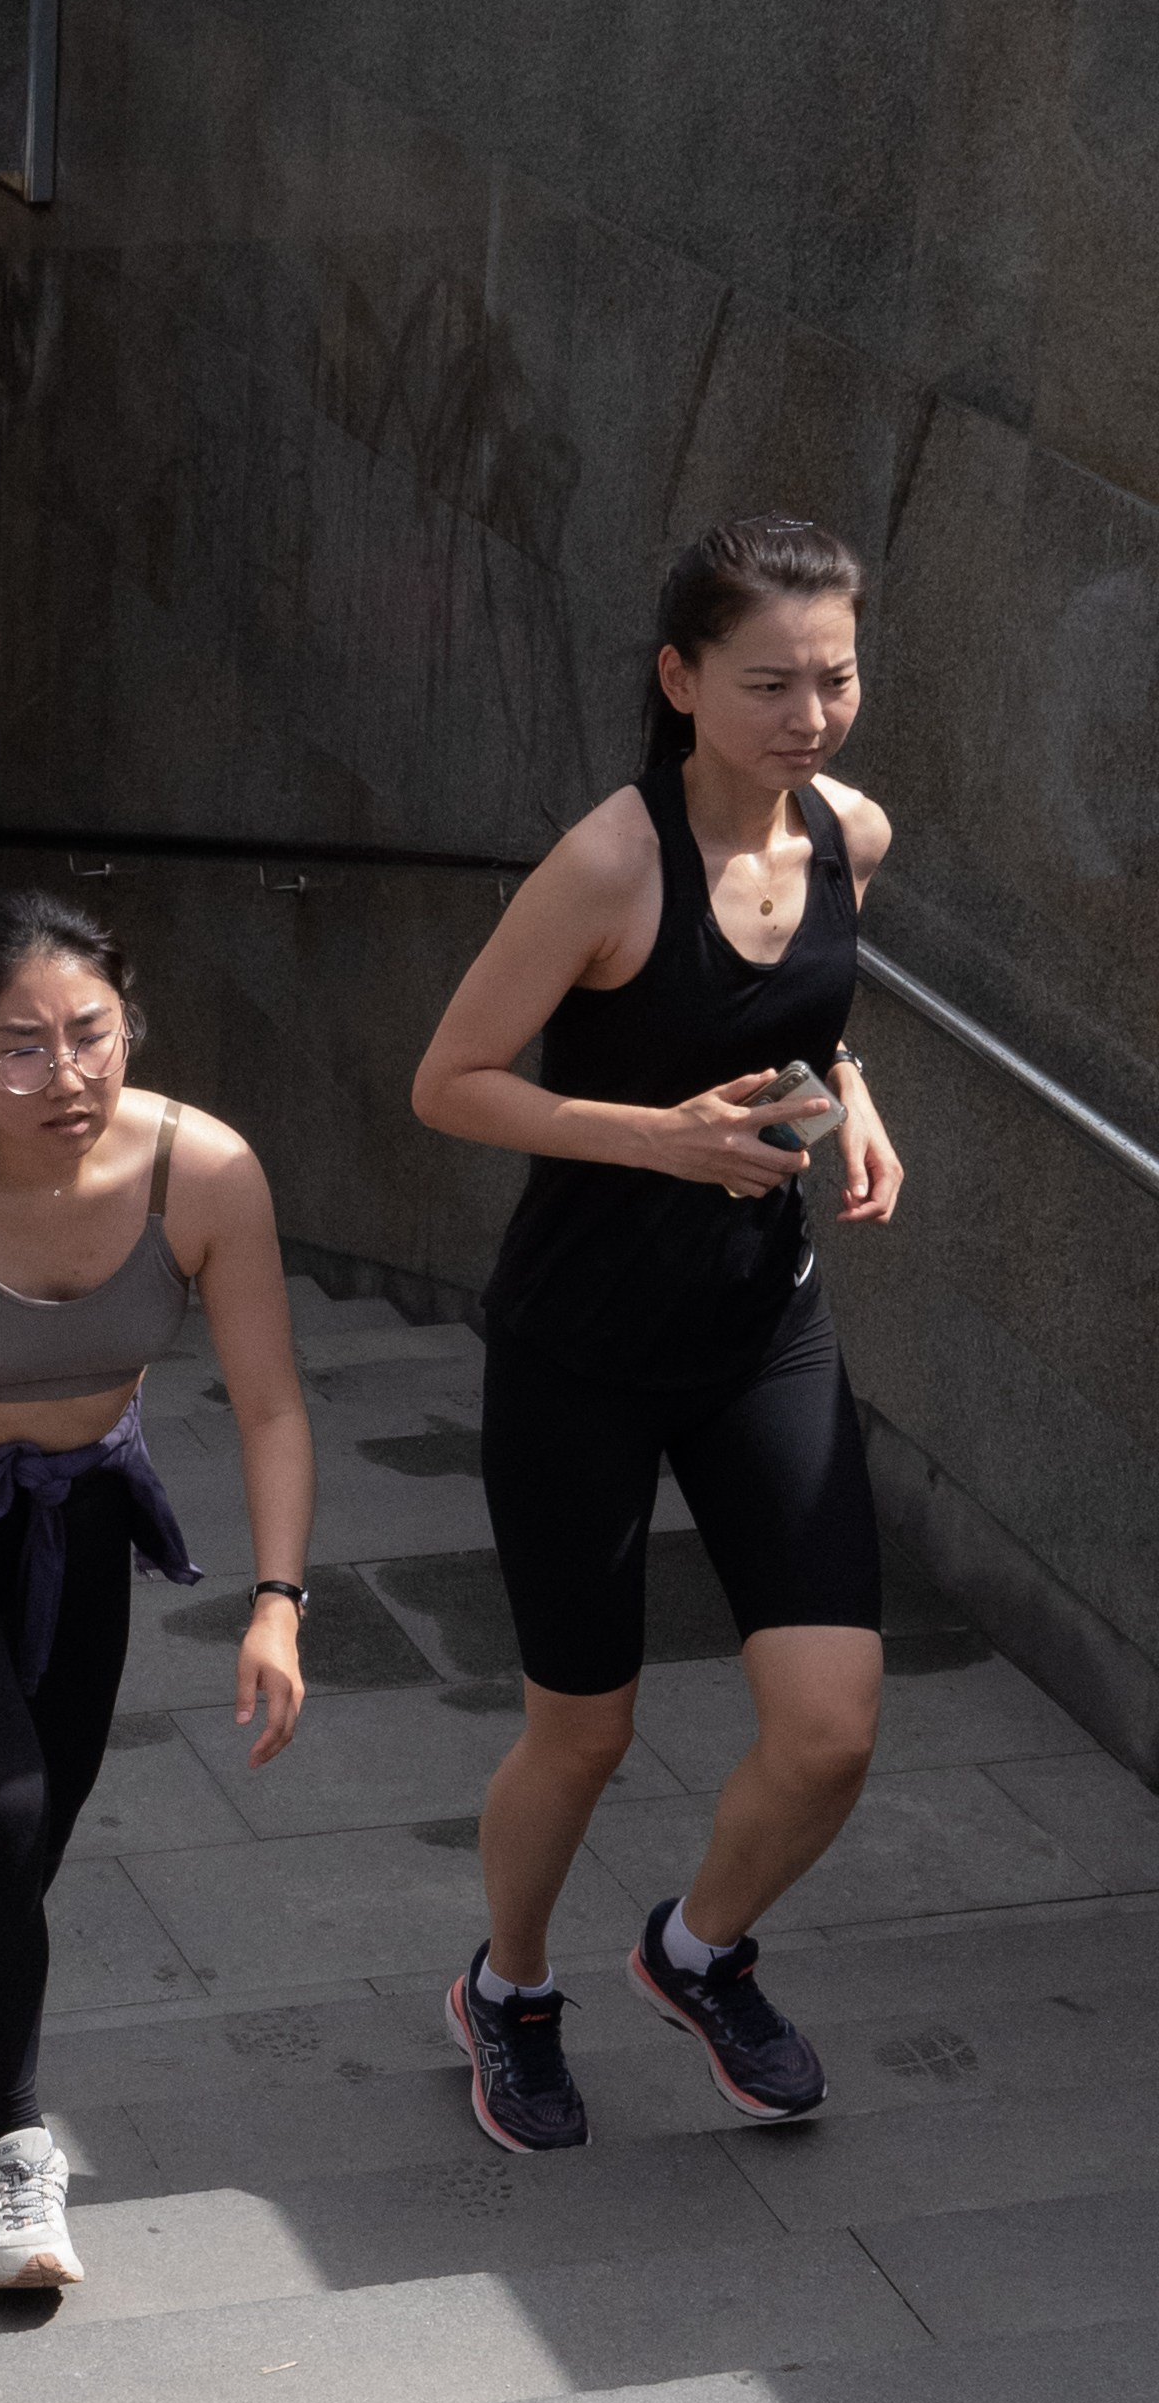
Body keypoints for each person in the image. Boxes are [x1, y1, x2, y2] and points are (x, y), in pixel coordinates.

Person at [410, 514, 904, 2156]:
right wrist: (661, 1137)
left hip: (762, 1326)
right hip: (581, 1347)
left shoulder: (851, 830)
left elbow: (809, 1013)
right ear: (681, 680)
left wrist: (852, 1100)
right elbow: (451, 1082)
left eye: (833, 678)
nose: (808, 715)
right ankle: (513, 1988)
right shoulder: (610, 863)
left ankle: (696, 1951)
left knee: (831, 1723)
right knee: (586, 1729)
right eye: (769, 682)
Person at [0, 893, 313, 2291]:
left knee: (34, 1831)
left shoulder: (205, 1171)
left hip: (83, 1516)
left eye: (91, 1036)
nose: (66, 1077)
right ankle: (16, 2164)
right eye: (20, 1048)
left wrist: (279, 1598)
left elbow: (274, 1406)